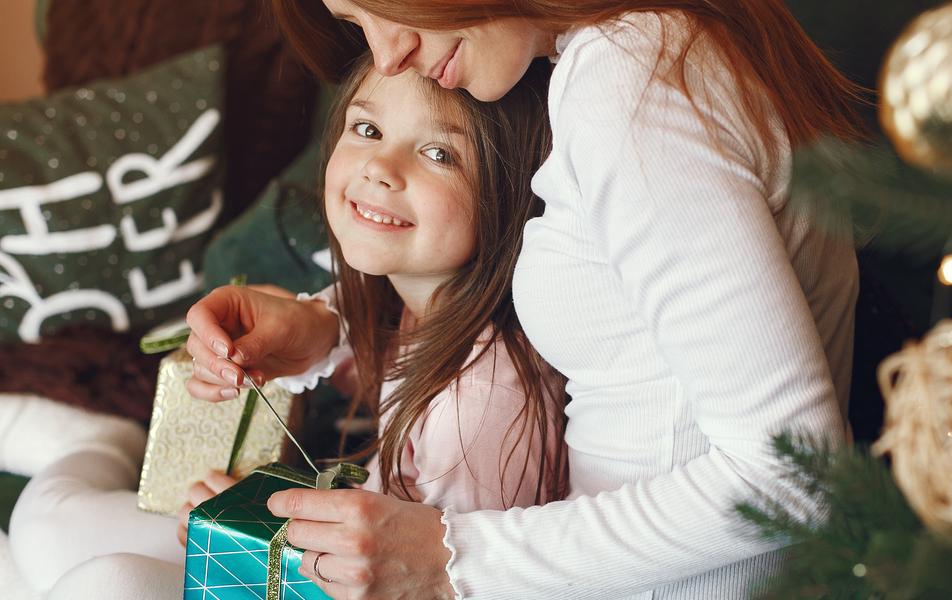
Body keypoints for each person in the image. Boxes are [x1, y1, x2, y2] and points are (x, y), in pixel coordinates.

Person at [187, 0, 866, 597]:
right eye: (356, 22)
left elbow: (791, 475)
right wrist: (326, 323)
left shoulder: (633, 83)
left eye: (386, 6)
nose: (389, 54)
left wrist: (451, 559)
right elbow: (603, 298)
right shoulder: (639, 52)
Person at [13, 52, 565, 599]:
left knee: (105, 581)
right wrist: (253, 523)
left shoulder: (484, 400)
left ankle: (88, 443)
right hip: (317, 570)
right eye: (367, 128)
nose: (379, 166)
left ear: (513, 194)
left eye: (439, 153)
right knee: (43, 527)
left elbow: (425, 580)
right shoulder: (417, 314)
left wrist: (255, 544)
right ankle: (98, 440)